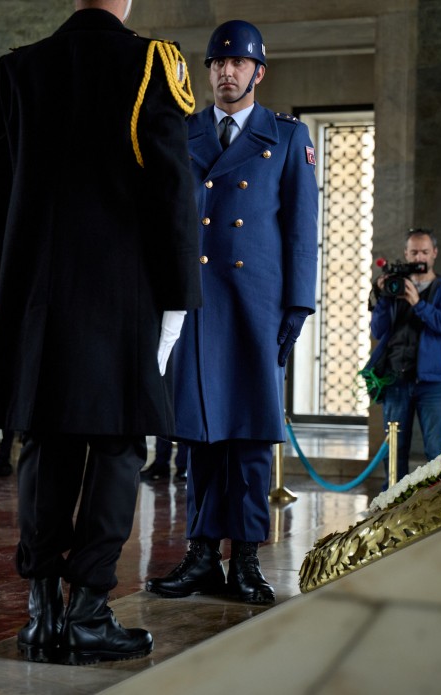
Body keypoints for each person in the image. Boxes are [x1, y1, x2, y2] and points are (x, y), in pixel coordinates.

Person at [0, 0, 200, 665]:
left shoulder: (20, 70)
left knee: (46, 444)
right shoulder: (149, 64)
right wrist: (177, 298)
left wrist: (8, 296)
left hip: (40, 301)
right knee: (116, 445)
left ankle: (41, 611)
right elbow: (170, 190)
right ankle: (89, 612)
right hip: (120, 295)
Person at [145, 20, 319, 606]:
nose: (226, 72)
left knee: (246, 435)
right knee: (198, 435)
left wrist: (297, 305)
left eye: (238, 63)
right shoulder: (185, 131)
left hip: (254, 306)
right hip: (195, 305)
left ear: (258, 72)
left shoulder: (288, 137)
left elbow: (301, 231)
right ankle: (200, 555)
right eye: (218, 63)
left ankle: (244, 558)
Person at [364, 228, 441, 483]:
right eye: (414, 251)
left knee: (437, 450)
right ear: (406, 253)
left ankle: (439, 508)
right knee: (394, 453)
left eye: (425, 252)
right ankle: (392, 508)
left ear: (434, 254)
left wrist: (418, 303)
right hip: (396, 381)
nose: (419, 256)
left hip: (433, 383)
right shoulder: (395, 287)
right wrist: (383, 297)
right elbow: (378, 330)